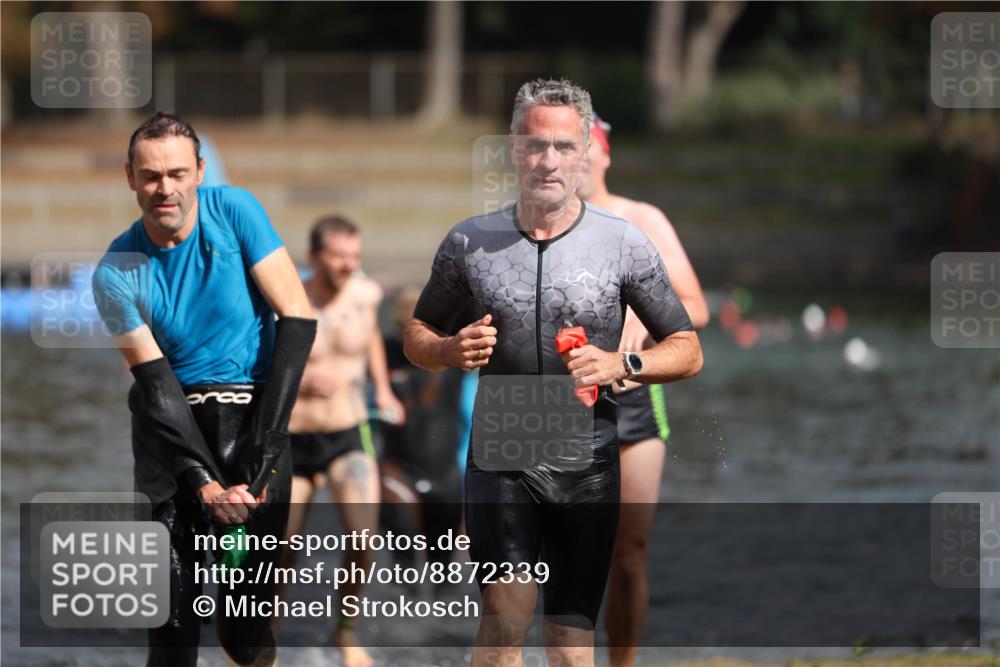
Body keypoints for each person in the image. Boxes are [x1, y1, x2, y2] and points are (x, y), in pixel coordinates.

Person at [403, 78, 703, 667]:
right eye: (536, 145)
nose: (549, 161)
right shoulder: (469, 241)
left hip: (585, 453)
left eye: (565, 147)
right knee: (504, 623)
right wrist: (448, 350)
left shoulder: (623, 243)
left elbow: (688, 348)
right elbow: (417, 335)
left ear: (586, 151)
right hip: (502, 448)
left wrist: (624, 363)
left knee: (569, 646)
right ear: (514, 149)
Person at [92, 111, 316, 667]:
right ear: (130, 177)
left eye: (176, 173)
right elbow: (156, 389)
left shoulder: (236, 211)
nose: (164, 188)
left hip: (256, 424)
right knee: (170, 629)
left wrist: (261, 461)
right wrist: (203, 485)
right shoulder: (115, 273)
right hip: (172, 445)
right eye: (150, 176)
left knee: (245, 636)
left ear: (199, 170)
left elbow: (298, 317)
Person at [577, 114, 709, 667]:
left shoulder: (641, 219)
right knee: (566, 554)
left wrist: (647, 323)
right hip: (559, 402)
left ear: (606, 155)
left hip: (633, 397)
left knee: (629, 553)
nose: (575, 163)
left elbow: (695, 309)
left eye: (586, 151)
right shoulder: (539, 223)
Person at [280, 215, 404, 667]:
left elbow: (369, 335)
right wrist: (300, 382)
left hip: (348, 432)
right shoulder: (289, 299)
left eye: (355, 255)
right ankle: (268, 631)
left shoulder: (366, 295)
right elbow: (258, 359)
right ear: (315, 257)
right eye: (339, 256)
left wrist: (383, 387)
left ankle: (344, 631)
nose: (350, 265)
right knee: (282, 548)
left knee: (364, 538)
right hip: (293, 440)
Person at [380, 287, 465, 573]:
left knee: (441, 565)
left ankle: (435, 610)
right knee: (402, 547)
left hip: (443, 468)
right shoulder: (385, 351)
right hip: (398, 465)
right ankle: (399, 607)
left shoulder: (452, 350)